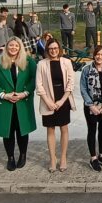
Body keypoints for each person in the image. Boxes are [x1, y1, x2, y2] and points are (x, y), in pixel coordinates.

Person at [0, 36, 37, 170]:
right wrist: (4, 95)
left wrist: (25, 92)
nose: (13, 48)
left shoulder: (28, 61)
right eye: (11, 45)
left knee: (22, 130)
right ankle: (10, 157)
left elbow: (35, 78)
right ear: (6, 47)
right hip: (5, 103)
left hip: (22, 101)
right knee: (8, 131)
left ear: (20, 47)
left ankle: (22, 154)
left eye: (16, 46)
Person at [36, 39, 76, 172]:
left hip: (63, 99)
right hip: (48, 100)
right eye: (51, 48)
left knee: (64, 128)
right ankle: (52, 159)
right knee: (50, 129)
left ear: (59, 49)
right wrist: (48, 102)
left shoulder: (66, 62)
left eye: (56, 48)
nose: (53, 51)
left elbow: (71, 83)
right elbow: (39, 85)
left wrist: (62, 100)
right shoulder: (41, 64)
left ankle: (63, 157)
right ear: (47, 50)